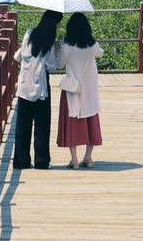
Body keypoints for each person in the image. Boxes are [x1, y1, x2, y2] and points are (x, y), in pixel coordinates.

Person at [13, 10, 62, 169]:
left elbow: (18, 57)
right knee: (42, 124)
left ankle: (21, 160)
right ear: (54, 24)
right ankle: (41, 160)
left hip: (24, 86)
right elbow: (51, 66)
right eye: (59, 23)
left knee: (22, 125)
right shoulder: (49, 42)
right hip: (41, 88)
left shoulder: (29, 34)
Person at [57, 12, 104, 168]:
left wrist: (60, 47)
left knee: (72, 121)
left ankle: (74, 159)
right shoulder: (92, 45)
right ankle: (88, 158)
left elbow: (60, 64)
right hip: (89, 89)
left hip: (73, 89)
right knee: (91, 121)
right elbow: (100, 53)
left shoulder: (67, 46)